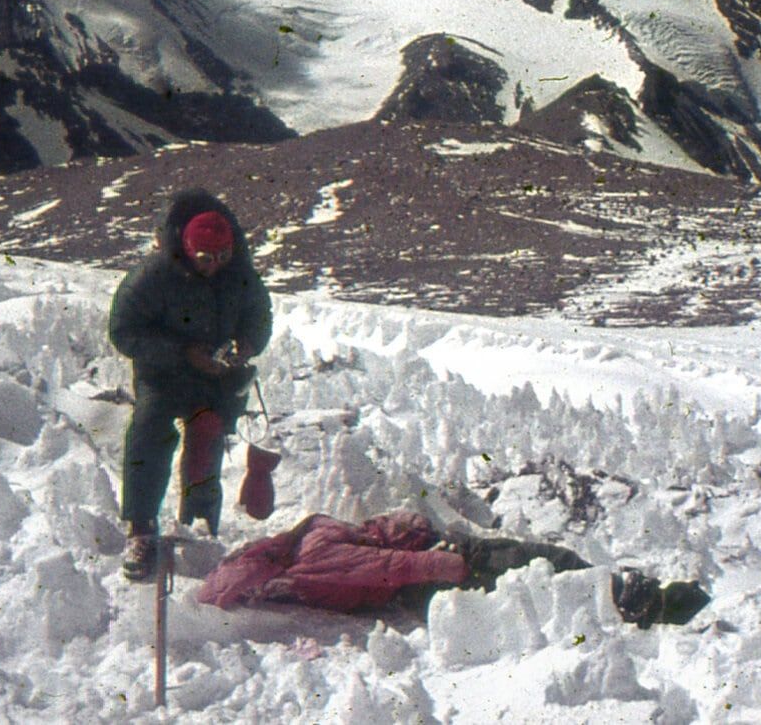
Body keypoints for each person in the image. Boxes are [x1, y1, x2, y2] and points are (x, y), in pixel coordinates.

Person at [109, 188, 273, 582]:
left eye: (222, 257)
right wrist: (183, 353)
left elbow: (259, 317)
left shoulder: (240, 274)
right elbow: (123, 331)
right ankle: (141, 527)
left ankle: (199, 522)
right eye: (205, 259)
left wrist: (246, 344)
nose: (215, 266)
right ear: (187, 248)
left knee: (207, 436)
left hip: (215, 379)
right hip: (163, 375)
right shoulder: (152, 275)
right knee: (149, 434)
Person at [195, 508, 709, 628]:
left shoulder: (305, 555)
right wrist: (452, 563)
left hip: (437, 569)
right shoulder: (316, 550)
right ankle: (639, 600)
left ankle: (630, 597)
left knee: (548, 568)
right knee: (549, 565)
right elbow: (388, 565)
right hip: (443, 570)